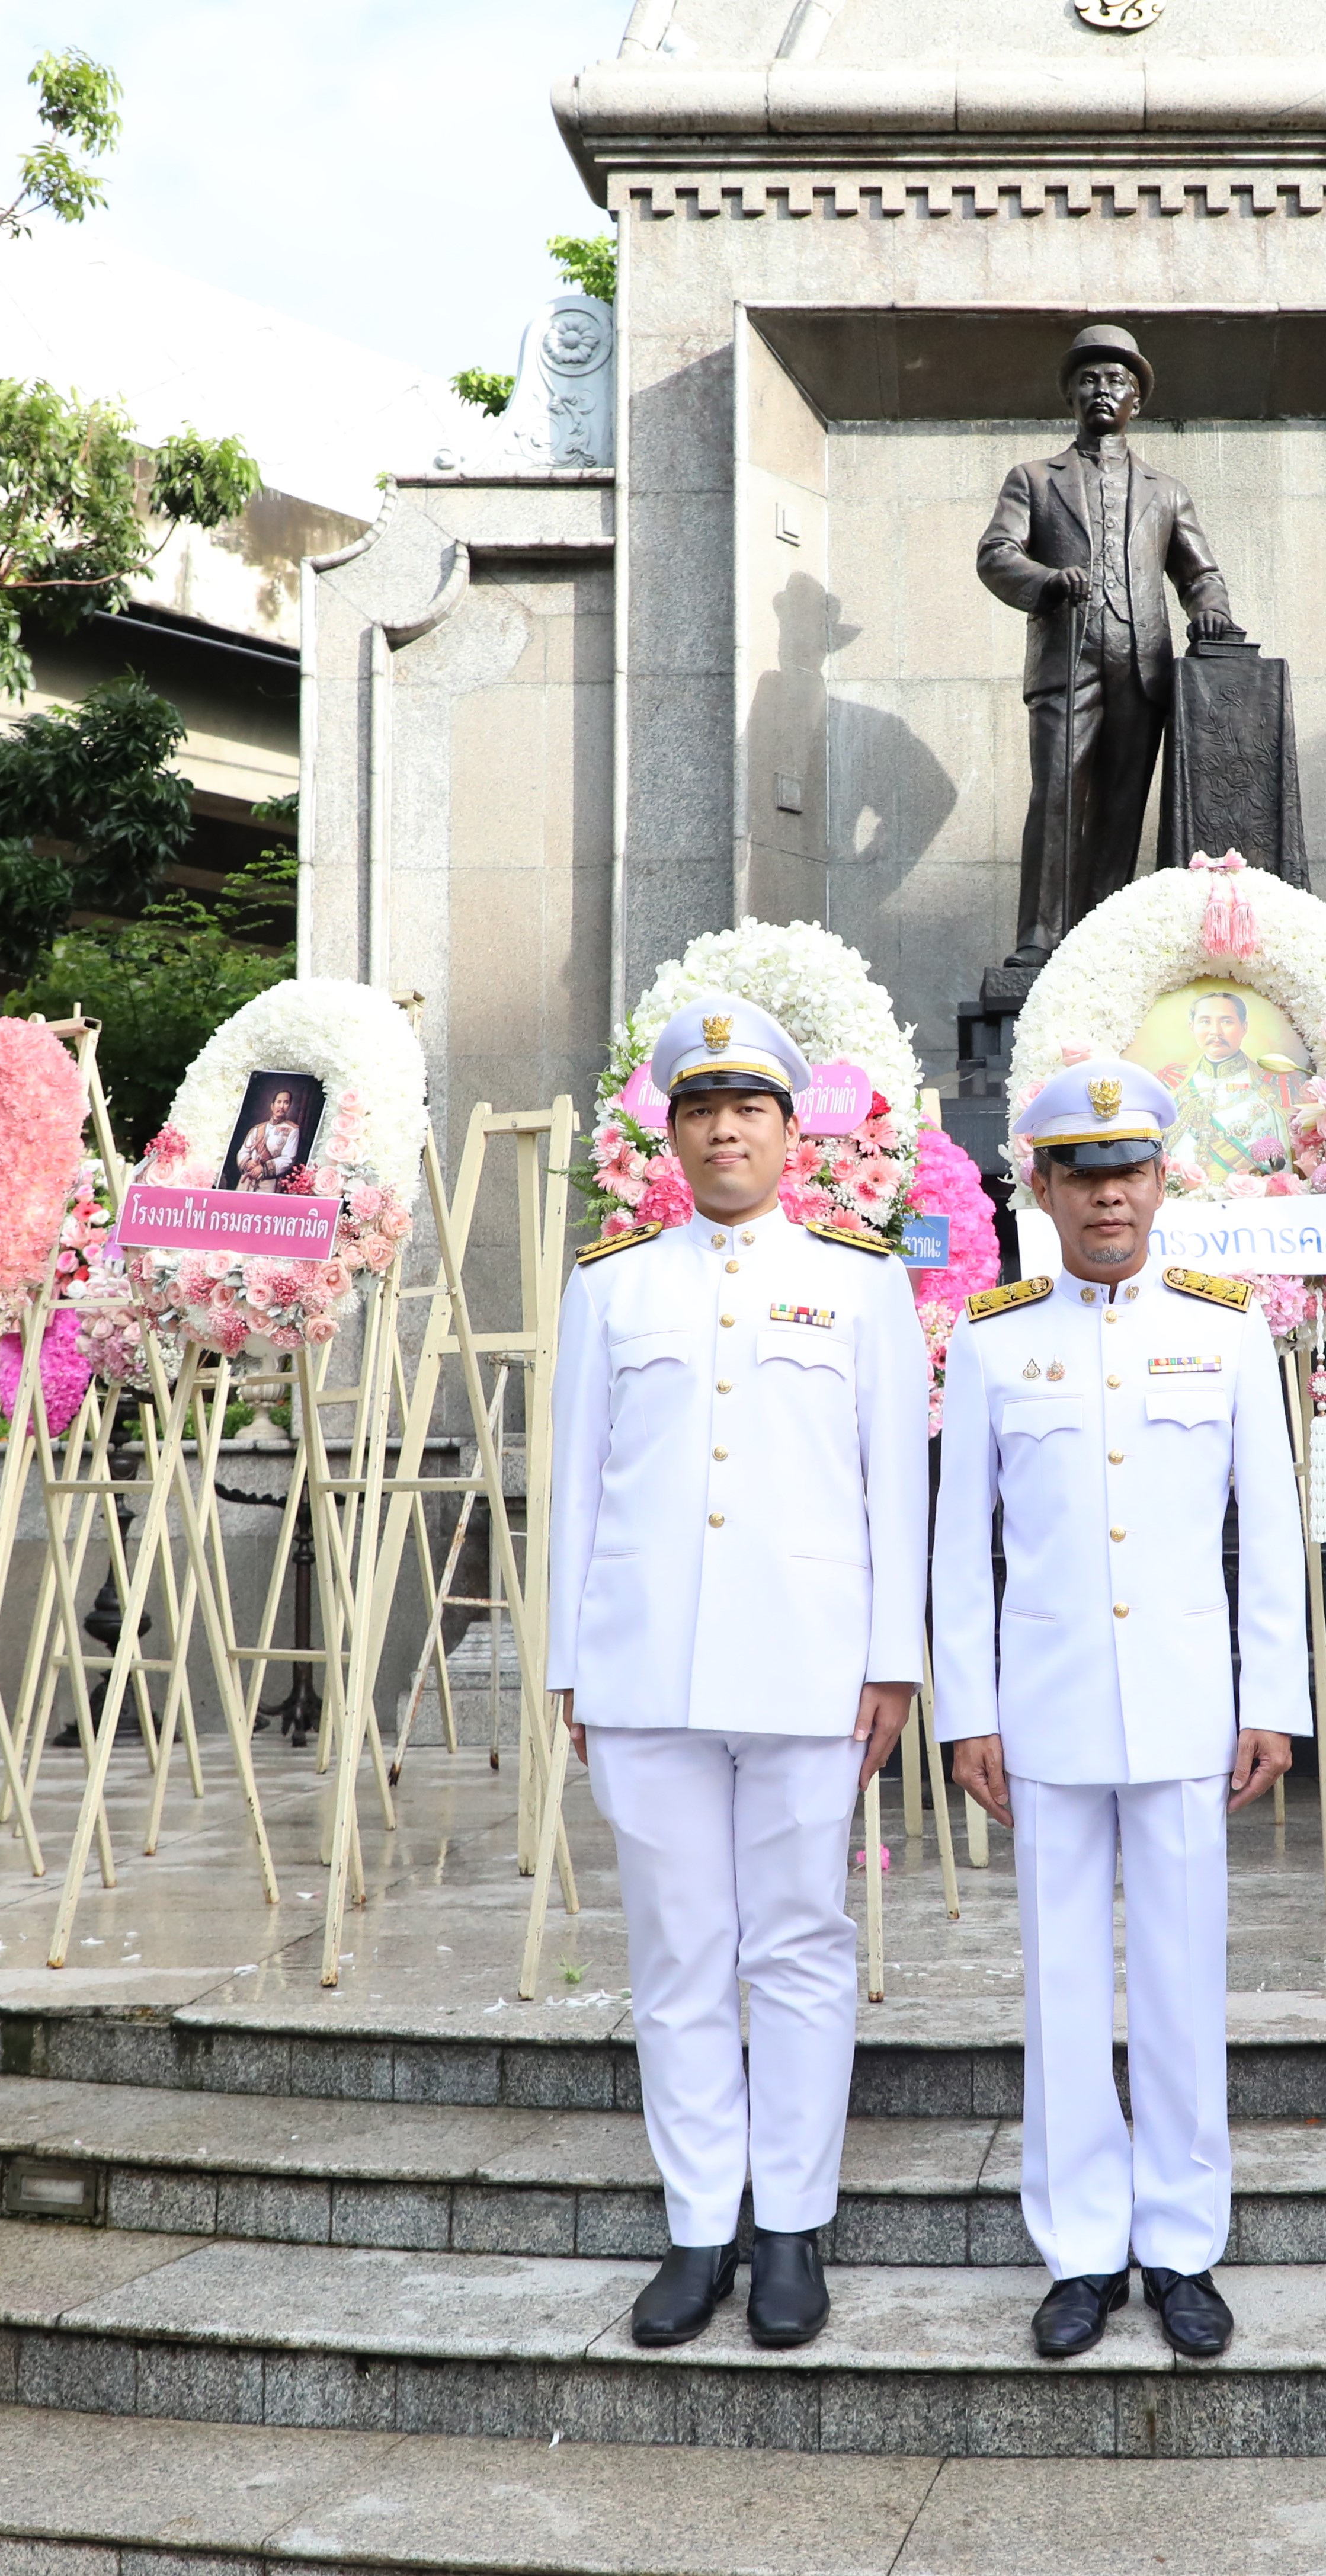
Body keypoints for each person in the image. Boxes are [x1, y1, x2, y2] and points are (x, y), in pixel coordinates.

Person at [543, 995, 929, 2351]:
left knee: (802, 1944)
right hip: (645, 1664)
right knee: (678, 1952)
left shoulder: (859, 1277)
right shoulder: (615, 1281)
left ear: (787, 1129)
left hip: (813, 1668)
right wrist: (567, 1667)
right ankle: (700, 2223)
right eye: (701, 1108)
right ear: (674, 1128)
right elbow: (575, 1483)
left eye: (747, 1108)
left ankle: (791, 2226)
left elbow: (899, 1485)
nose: (723, 1129)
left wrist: (896, 1662)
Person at [934, 1061, 1301, 2361]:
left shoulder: (1227, 1326)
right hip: (1041, 1710)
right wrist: (963, 1711)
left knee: (1186, 1978)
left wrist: (1275, 1700)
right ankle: (1082, 2247)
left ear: (1160, 1181)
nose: (1107, 1195)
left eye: (1128, 1169)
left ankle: (1184, 2244)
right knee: (1059, 1983)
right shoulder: (991, 1338)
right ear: (1039, 1186)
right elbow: (954, 1544)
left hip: (1191, 1705)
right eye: (1080, 1173)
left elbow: (1271, 1525)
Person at [976, 323, 1239, 968]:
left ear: (1136, 402)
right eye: (1089, 378)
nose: (1103, 389)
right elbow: (996, 555)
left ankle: (1102, 936)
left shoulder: (1166, 491)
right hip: (1068, 658)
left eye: (1116, 380)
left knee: (1123, 808)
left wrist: (1210, 611)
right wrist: (1045, 582)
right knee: (1058, 794)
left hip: (1142, 666)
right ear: (1071, 396)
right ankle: (1039, 936)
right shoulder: (1035, 479)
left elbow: (1200, 574)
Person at [1161, 988, 1295, 1182]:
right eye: (1205, 1022)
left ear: (1244, 1027)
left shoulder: (1276, 1084)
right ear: (1192, 1027)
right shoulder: (1173, 1082)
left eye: (1227, 1021)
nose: (1216, 1032)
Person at [236, 1087, 305, 1187]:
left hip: (268, 1183)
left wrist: (263, 1168)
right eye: (279, 1102)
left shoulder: (293, 1130)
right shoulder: (257, 1128)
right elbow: (243, 1151)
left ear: (289, 1107)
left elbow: (288, 1159)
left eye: (286, 1103)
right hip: (247, 1179)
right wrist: (248, 1163)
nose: (281, 1106)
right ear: (272, 1106)